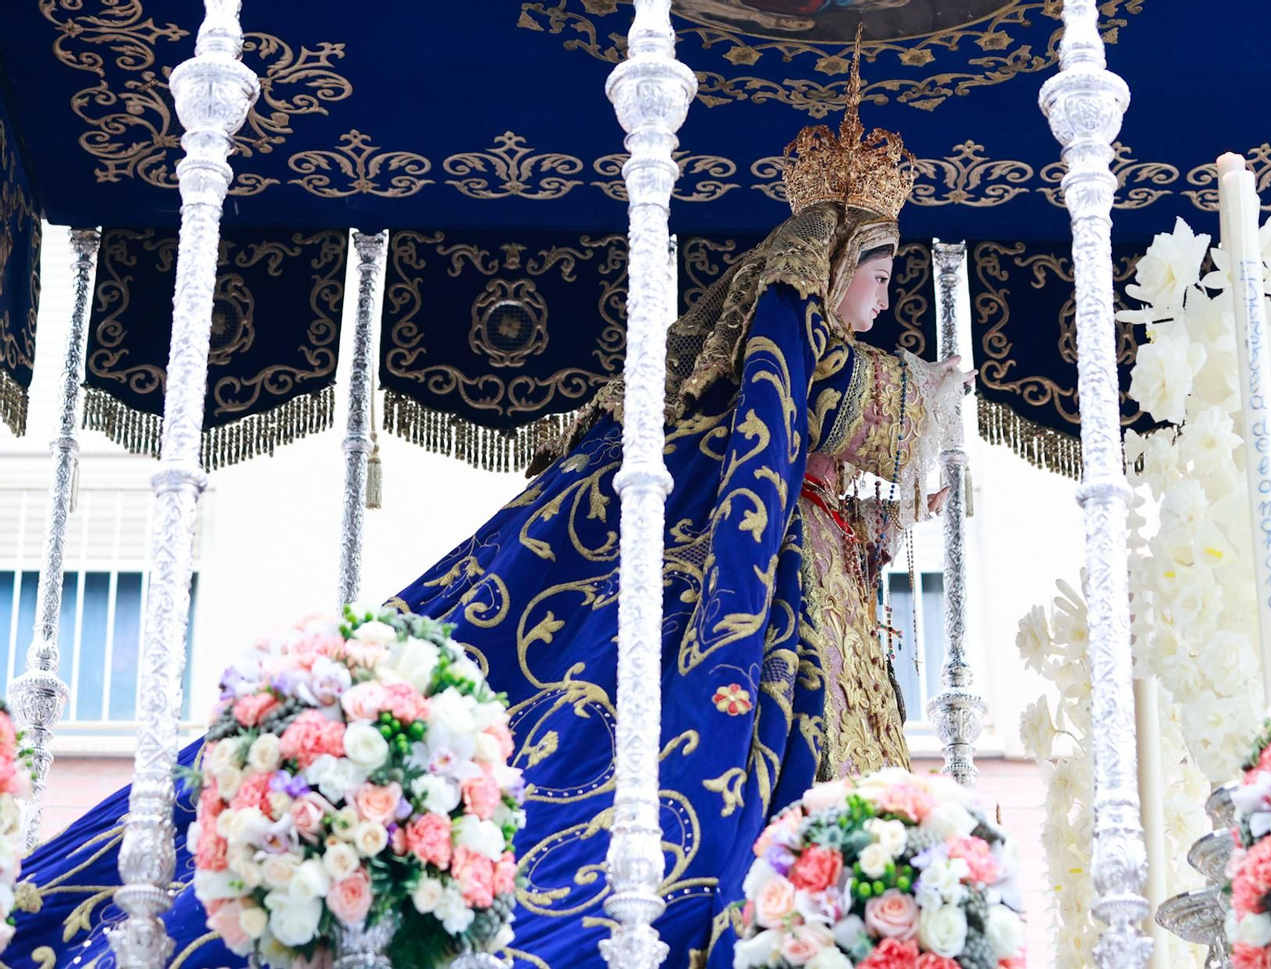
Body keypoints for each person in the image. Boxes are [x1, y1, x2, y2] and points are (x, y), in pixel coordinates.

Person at [3, 46, 964, 969]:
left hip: (821, 594)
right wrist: (929, 394)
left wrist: (878, 503)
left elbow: (820, 457)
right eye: (878, 280)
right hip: (752, 610)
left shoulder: (796, 386)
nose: (883, 304)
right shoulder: (785, 342)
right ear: (833, 266)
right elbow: (824, 411)